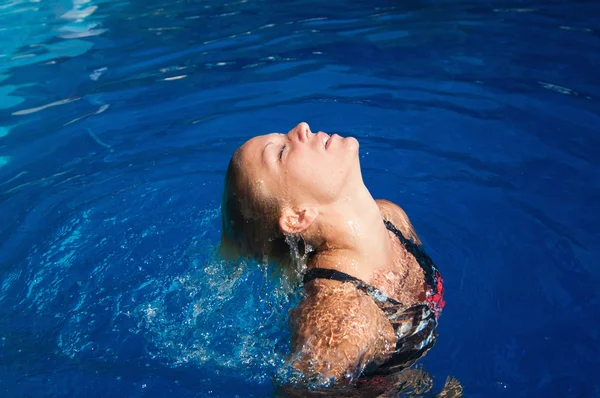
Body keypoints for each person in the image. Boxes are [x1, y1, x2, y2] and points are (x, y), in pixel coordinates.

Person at [220, 122, 446, 388]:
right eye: (280, 152)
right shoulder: (342, 315)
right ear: (296, 217)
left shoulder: (392, 217)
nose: (301, 127)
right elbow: (300, 392)